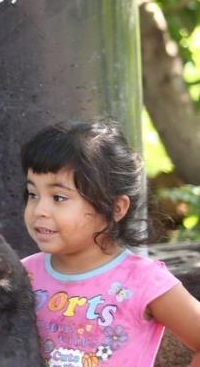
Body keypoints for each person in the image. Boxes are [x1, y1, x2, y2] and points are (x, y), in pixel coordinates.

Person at [21, 119, 200, 367]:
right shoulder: (23, 275)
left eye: (59, 197)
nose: (39, 210)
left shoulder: (143, 280)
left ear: (115, 208)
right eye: (33, 194)